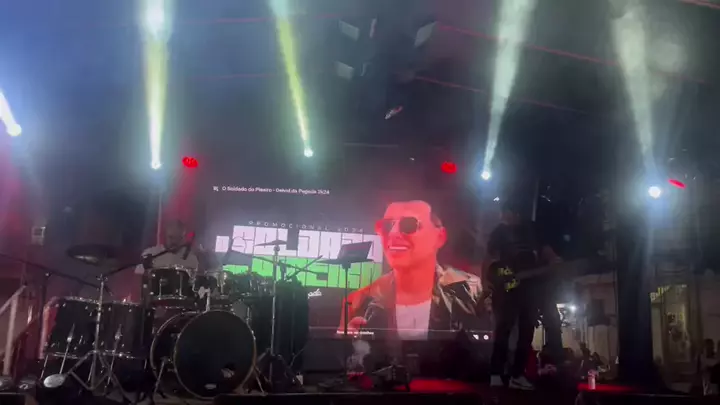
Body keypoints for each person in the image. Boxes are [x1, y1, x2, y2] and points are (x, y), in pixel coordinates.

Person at [337, 200, 490, 340]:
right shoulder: (359, 300)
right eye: (386, 226)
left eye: (409, 224)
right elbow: (344, 355)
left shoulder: (470, 290)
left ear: (439, 237)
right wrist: (351, 345)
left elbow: (485, 348)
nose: (393, 233)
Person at [485, 200, 562, 390]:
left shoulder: (532, 229)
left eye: (507, 213)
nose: (504, 217)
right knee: (504, 329)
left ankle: (517, 375)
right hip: (508, 287)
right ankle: (496, 373)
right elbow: (489, 260)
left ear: (515, 213)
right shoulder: (499, 232)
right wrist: (488, 282)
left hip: (531, 287)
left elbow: (545, 249)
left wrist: (554, 259)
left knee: (527, 331)